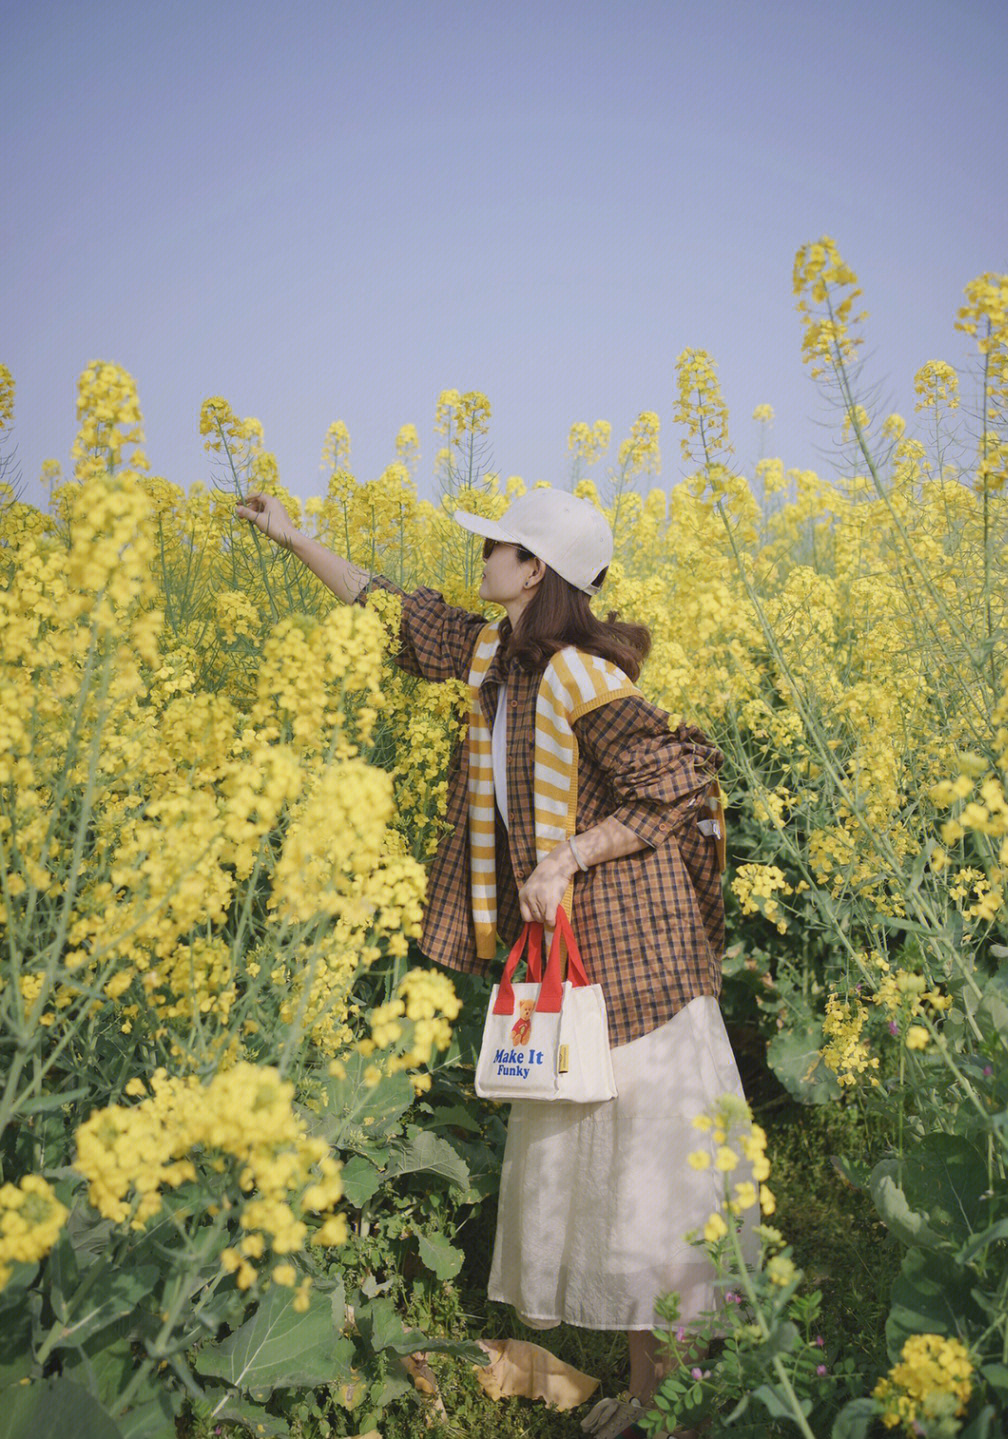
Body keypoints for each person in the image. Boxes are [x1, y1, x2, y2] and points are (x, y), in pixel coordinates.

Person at [236, 486, 757, 1439]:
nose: (482, 550)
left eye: (500, 542)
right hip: (574, 962)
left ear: (537, 571)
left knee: (651, 1186)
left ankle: (673, 1408)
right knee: (608, 1184)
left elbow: (682, 773)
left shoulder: (576, 676)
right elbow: (394, 608)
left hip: (638, 959)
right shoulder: (493, 656)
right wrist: (289, 536)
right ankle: (648, 1398)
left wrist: (565, 854)